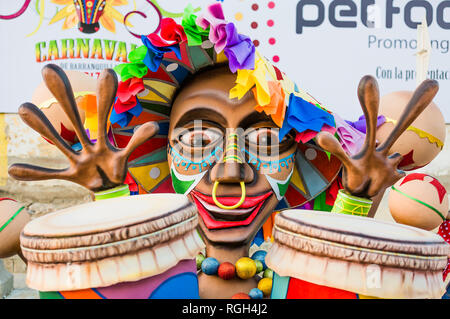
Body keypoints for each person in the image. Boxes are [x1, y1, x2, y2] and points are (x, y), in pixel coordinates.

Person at [7, 3, 439, 298]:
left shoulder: (297, 280)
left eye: (267, 141)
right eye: (197, 140)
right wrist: (109, 202)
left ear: (299, 159)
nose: (231, 171)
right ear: (162, 158)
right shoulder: (152, 279)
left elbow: (341, 283)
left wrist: (356, 202)